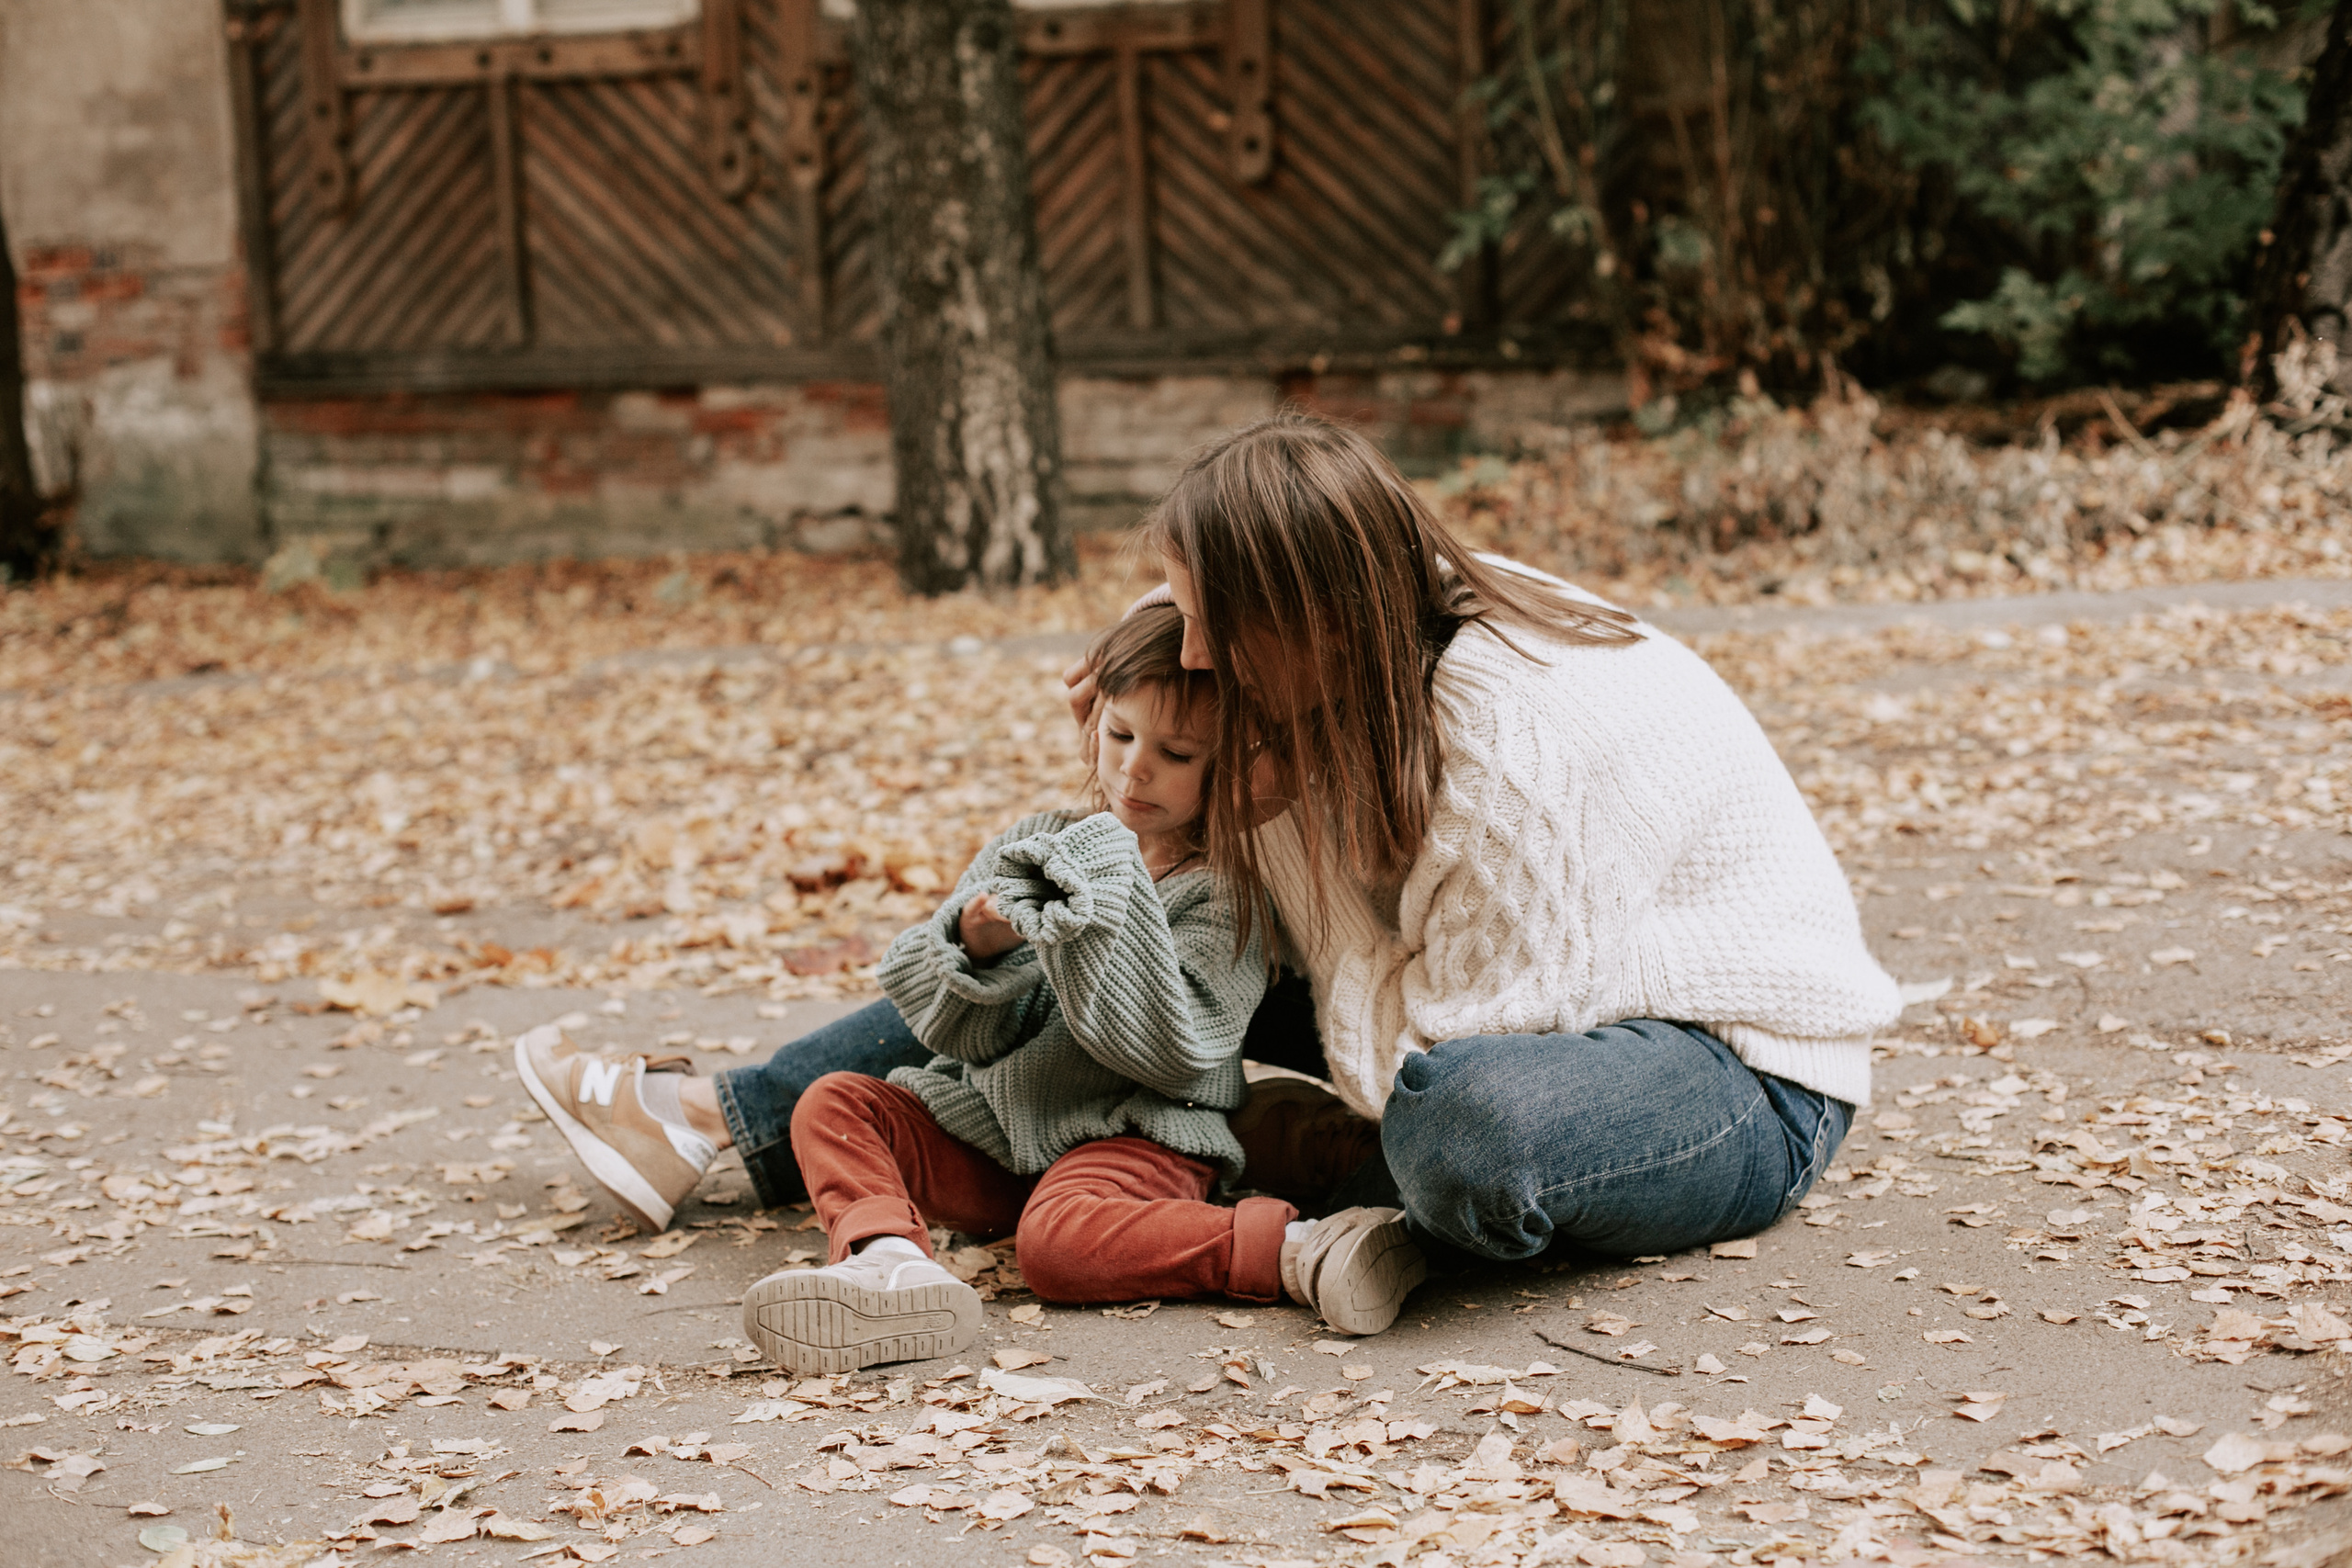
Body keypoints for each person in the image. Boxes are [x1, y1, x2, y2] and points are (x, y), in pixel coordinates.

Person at [1053, 410, 1901, 1279]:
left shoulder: (1508, 748)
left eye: (1211, 626)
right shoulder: (1374, 615)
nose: (1194, 653)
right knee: (1091, 948)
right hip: (1466, 985)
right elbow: (1199, 644)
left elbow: (1439, 1055)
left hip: (1729, 1070)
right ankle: (1259, 1154)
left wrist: (1271, 814)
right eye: (1184, 614)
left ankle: (1295, 1171)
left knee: (1460, 1133)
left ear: (1316, 620)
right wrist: (1141, 664)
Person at [516, 606, 1424, 1375]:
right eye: (1119, 735)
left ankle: (1296, 1249)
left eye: (1175, 753)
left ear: (1228, 770)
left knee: (1055, 1247)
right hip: (999, 1126)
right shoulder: (1042, 841)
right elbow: (951, 1028)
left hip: (1135, 1134)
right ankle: (889, 1264)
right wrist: (976, 946)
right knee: (834, 1102)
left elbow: (1170, 1049)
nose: (1135, 769)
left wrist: (1101, 905)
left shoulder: (1225, 895)